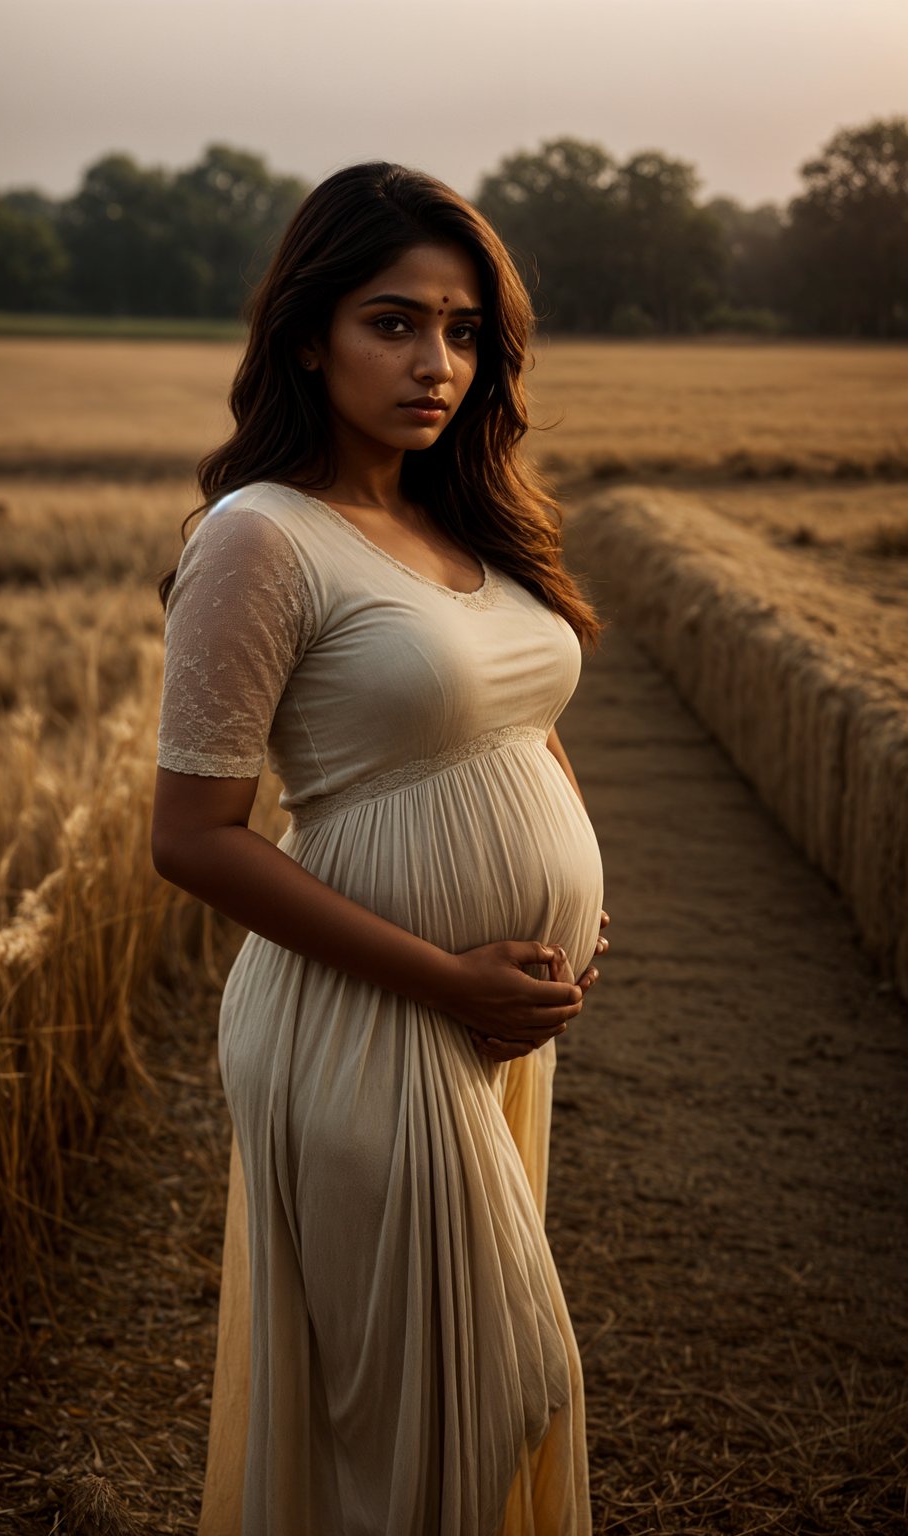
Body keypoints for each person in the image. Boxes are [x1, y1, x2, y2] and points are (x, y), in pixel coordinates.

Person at [151, 161, 610, 1536]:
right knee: (442, 1418)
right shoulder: (262, 539)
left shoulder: (465, 517)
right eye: (393, 321)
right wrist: (444, 975)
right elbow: (191, 839)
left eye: (465, 331)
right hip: (362, 1020)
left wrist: (578, 903)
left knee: (466, 1419)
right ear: (307, 332)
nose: (437, 362)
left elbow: (522, 721)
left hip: (477, 1019)